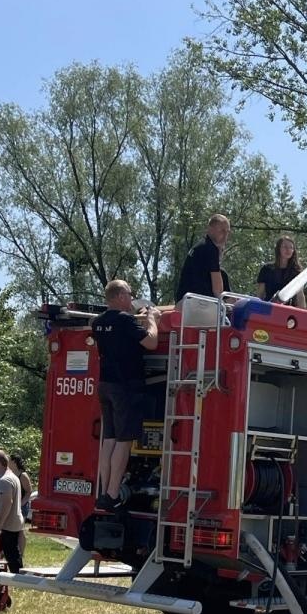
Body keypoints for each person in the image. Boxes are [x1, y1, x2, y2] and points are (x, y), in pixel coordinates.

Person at [91, 279, 160, 511]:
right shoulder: (124, 320)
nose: (131, 298)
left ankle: (103, 491)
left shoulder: (98, 323)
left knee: (108, 440)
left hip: (105, 385)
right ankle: (112, 494)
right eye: (129, 294)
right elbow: (151, 343)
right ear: (119, 296)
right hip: (126, 388)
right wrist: (151, 321)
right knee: (124, 441)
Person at [175, 214, 231, 302]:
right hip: (196, 304)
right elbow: (218, 291)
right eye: (222, 230)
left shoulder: (199, 247)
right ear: (210, 229)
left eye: (227, 232)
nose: (225, 235)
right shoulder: (210, 248)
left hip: (185, 302)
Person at [0, 449, 24, 573]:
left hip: (8, 523)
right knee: (12, 552)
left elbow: (8, 503)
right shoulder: (13, 477)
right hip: (15, 521)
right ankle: (17, 576)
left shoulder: (5, 480)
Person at [256, 236, 307, 308]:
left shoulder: (296, 272)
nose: (288, 250)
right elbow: (260, 294)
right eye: (285, 247)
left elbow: (300, 296)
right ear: (278, 249)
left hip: (288, 312)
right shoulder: (266, 269)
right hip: (268, 309)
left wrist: (303, 315)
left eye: (291, 248)